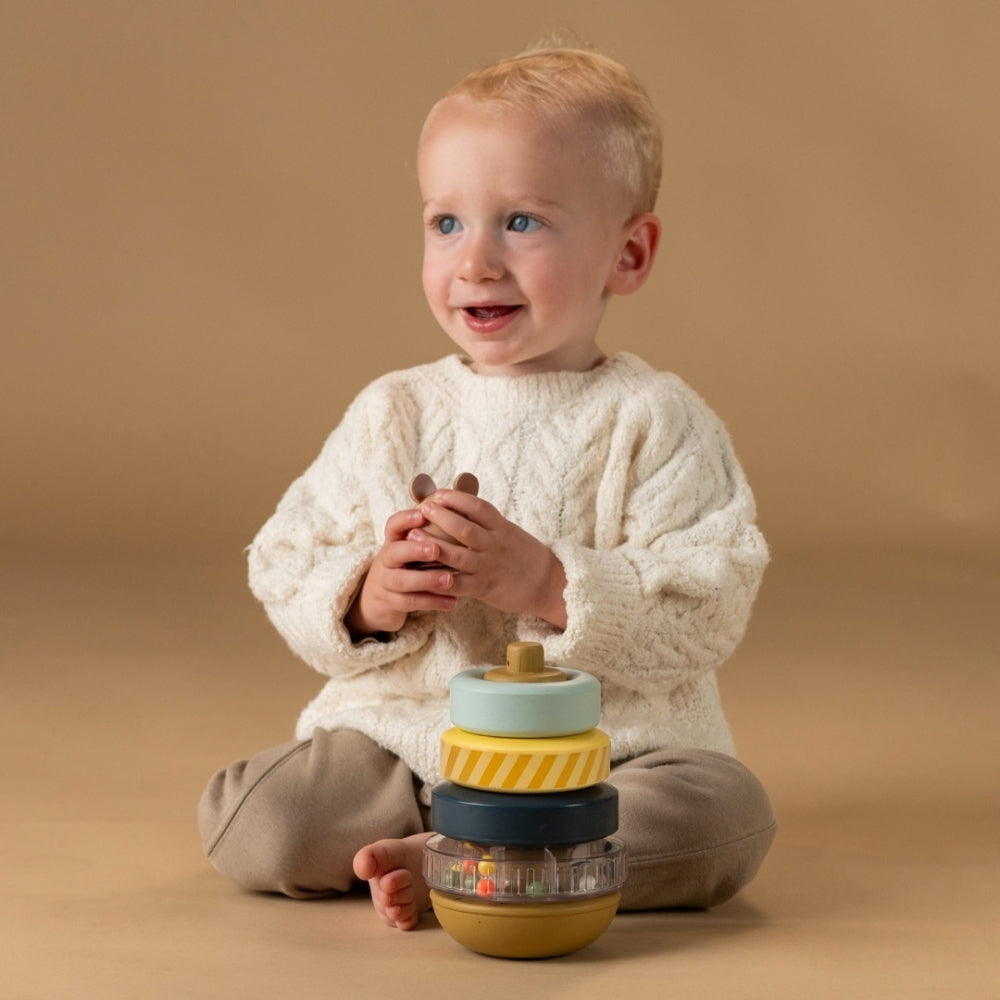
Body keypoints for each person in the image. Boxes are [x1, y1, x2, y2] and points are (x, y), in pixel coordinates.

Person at [198, 44, 776, 932]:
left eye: (522, 222)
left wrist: (550, 584)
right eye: (446, 224)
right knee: (258, 820)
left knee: (723, 820)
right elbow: (286, 556)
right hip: (410, 750)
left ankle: (461, 857)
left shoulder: (656, 418)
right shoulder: (394, 411)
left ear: (628, 254)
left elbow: (713, 594)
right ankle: (497, 856)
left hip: (603, 761)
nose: (475, 262)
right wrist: (368, 597)